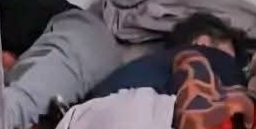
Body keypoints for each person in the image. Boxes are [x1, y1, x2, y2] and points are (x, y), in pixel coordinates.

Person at [88, 13, 247, 99]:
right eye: (226, 56)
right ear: (203, 43)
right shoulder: (212, 60)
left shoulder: (146, 67)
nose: (229, 65)